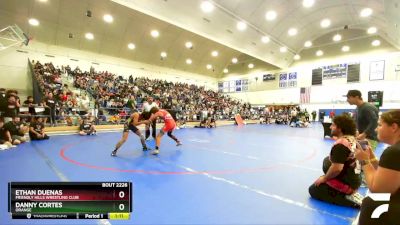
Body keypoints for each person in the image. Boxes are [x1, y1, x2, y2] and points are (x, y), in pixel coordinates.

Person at [355, 110, 400, 225]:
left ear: (394, 127)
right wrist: (372, 159)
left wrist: (364, 161)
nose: (376, 129)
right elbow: (393, 173)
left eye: (380, 125)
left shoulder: (394, 152)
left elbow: (377, 189)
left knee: (370, 204)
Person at [309, 114, 363, 208]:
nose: (330, 127)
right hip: (354, 179)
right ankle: (347, 191)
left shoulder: (341, 144)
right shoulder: (352, 139)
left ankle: (349, 198)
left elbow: (337, 169)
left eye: (333, 125)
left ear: (340, 128)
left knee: (314, 190)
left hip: (348, 183)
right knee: (328, 161)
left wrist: (325, 178)